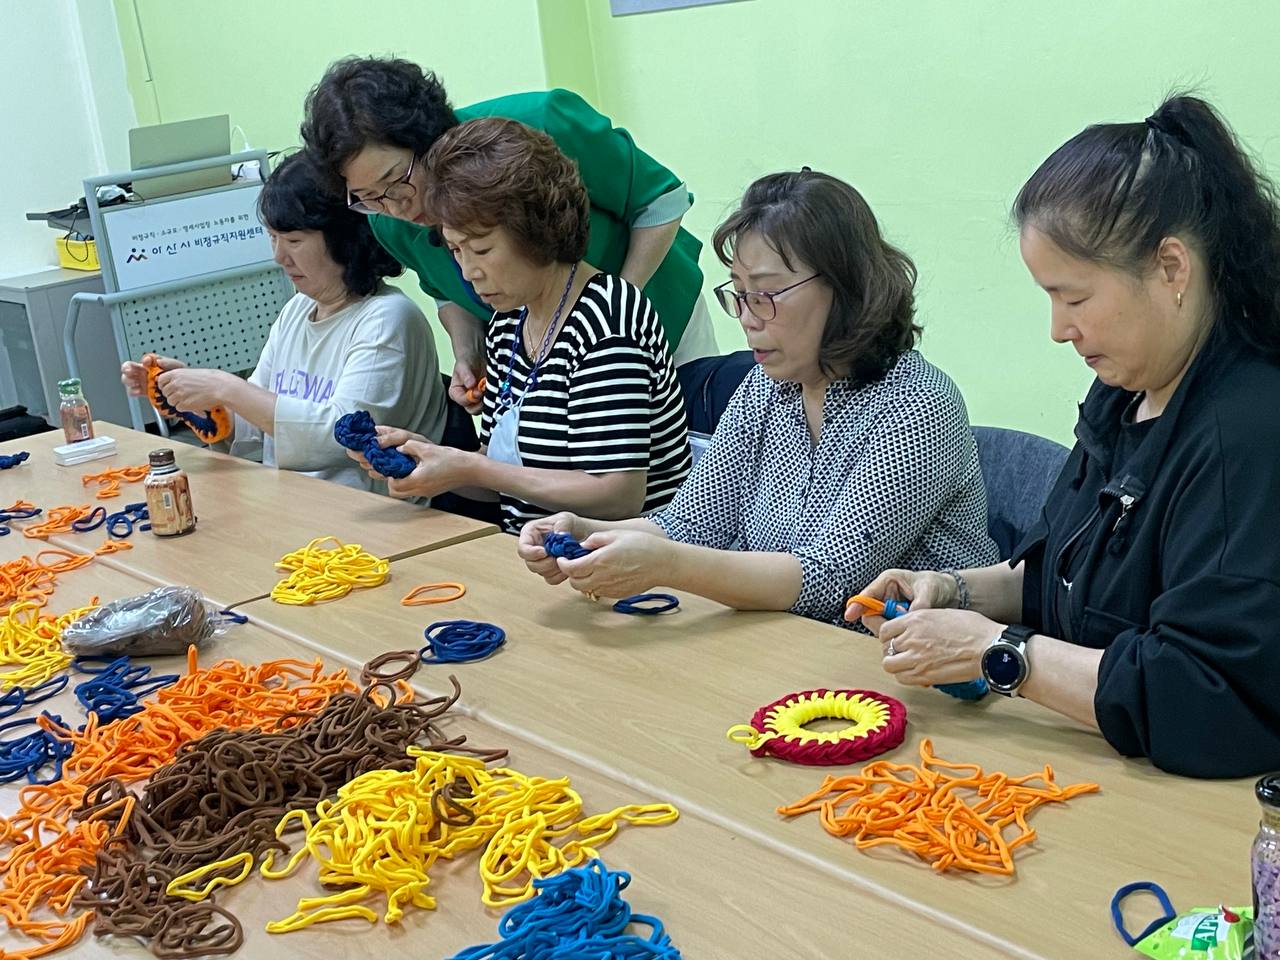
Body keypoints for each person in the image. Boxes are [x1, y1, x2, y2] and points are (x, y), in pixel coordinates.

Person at [848, 95, 1280, 779]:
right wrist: (957, 593)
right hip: (1095, 767)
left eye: (1075, 298)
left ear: (1171, 269)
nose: (1058, 328)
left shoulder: (1248, 434)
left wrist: (1000, 652)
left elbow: (1204, 696)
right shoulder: (1123, 395)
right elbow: (1068, 574)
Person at [518, 170, 998, 625]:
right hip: (785, 645)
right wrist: (585, 532)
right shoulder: (768, 386)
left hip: (910, 672)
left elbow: (827, 581)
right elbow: (690, 521)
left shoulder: (917, 403)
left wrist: (666, 565)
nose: (747, 317)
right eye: (740, 294)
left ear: (848, 289)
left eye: (765, 294)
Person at [301, 56, 718, 414]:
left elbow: (660, 199)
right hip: (555, 365)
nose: (397, 207)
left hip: (662, 316)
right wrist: (468, 353)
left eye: (397, 180)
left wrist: (615, 308)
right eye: (369, 197)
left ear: (426, 138)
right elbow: (444, 289)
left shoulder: (540, 125)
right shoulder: (386, 221)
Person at [347, 118, 691, 534]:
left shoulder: (607, 322)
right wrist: (430, 459)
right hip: (536, 558)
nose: (468, 271)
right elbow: (503, 481)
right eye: (456, 249)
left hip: (626, 570)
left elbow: (618, 494)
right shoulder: (510, 323)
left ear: (536, 232)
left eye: (482, 249)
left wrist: (473, 467)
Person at [121, 151, 446, 493]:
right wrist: (196, 400)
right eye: (273, 237)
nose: (279, 256)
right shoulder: (297, 310)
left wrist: (225, 387)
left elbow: (339, 438)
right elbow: (258, 428)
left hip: (370, 520)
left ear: (344, 241)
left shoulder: (387, 318)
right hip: (297, 504)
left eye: (293, 241)